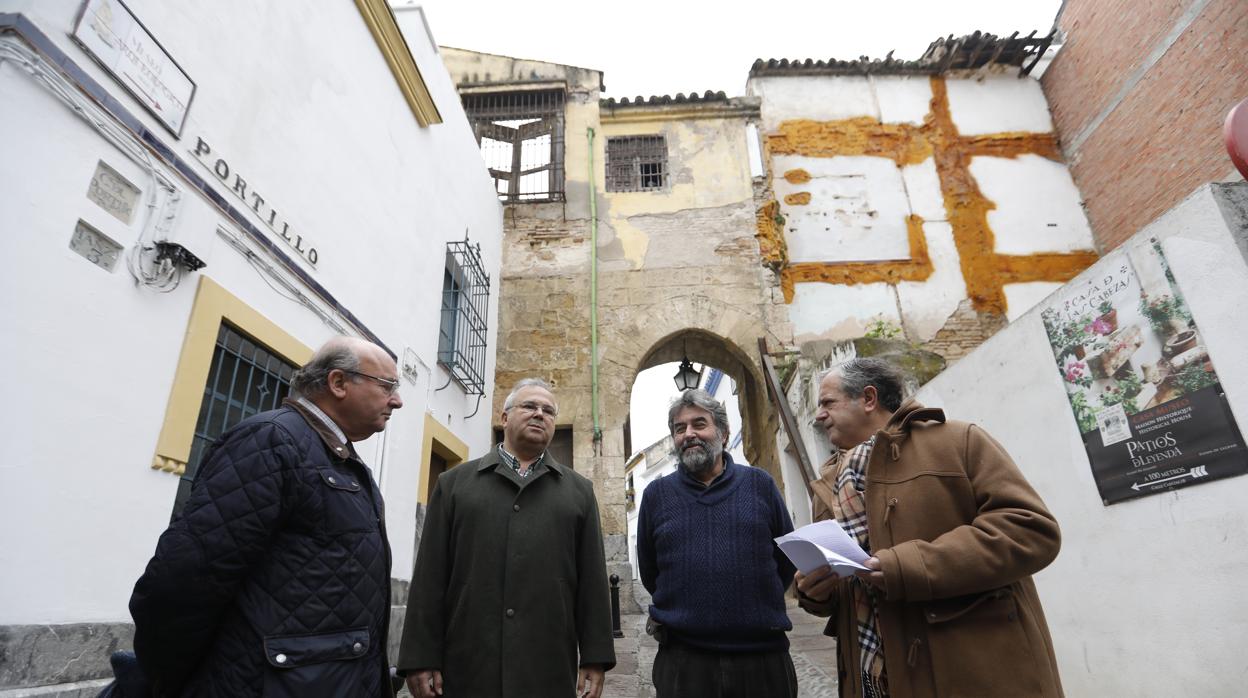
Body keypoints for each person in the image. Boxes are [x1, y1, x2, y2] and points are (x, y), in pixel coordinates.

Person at [129, 336, 404, 697]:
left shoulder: (338, 458)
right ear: (338, 383)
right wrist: (175, 681)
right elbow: (182, 581)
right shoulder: (270, 440)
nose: (397, 401)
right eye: (387, 386)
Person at [796, 358, 1063, 697]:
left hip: (969, 674)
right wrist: (814, 591)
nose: (818, 415)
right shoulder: (828, 485)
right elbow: (847, 588)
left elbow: (1030, 529)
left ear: (868, 398)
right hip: (872, 681)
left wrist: (906, 566)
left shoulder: (956, 441)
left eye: (827, 403)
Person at [398, 378, 615, 698]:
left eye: (548, 411)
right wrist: (419, 657)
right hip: (468, 662)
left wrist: (595, 658)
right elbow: (430, 575)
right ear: (504, 418)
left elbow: (594, 581)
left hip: (548, 663)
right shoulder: (454, 483)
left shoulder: (579, 491)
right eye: (529, 406)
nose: (540, 414)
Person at [636, 389, 798, 698]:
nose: (689, 434)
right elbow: (651, 571)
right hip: (684, 664)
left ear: (723, 433)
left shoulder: (760, 484)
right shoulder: (656, 495)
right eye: (679, 428)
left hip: (762, 660)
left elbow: (785, 559)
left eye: (699, 424)